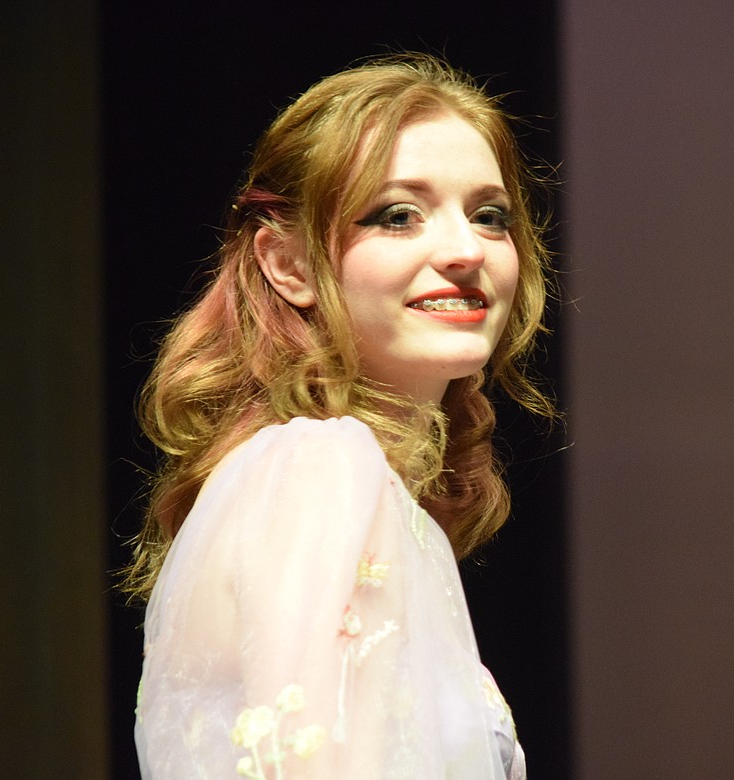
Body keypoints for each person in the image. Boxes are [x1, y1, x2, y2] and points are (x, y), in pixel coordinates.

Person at [121, 53, 555, 779]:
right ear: (287, 264)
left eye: (490, 216)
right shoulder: (317, 466)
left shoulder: (335, 478)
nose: (463, 250)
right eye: (397, 216)